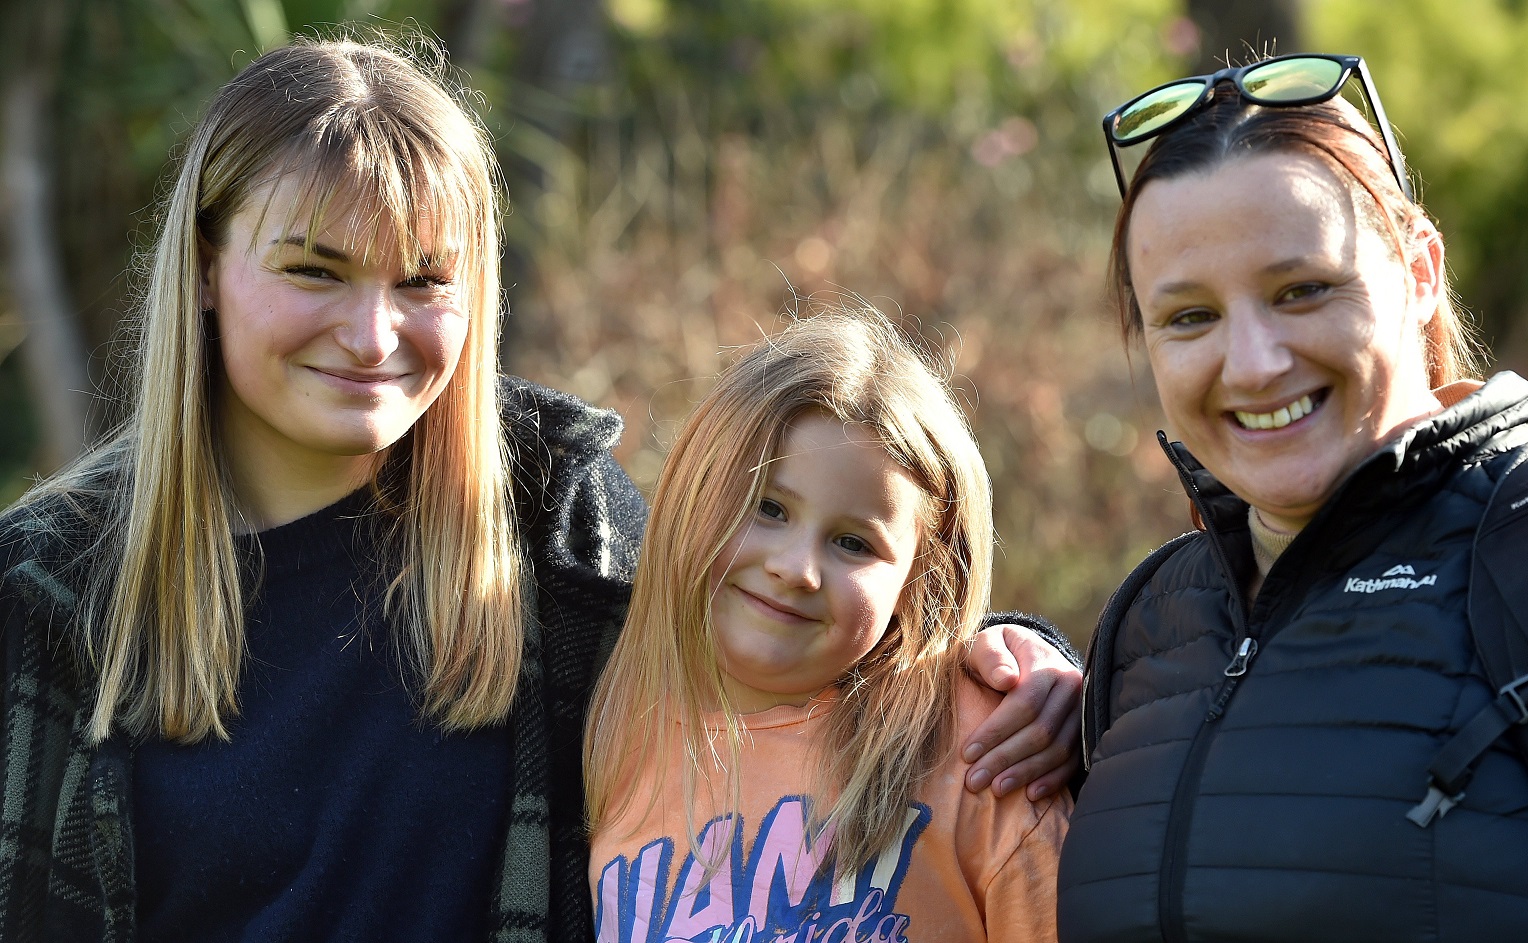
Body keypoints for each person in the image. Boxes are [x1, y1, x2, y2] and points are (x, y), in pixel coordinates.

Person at [0, 37, 1081, 943]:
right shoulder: (45, 591)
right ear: (201, 265)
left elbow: (776, 650)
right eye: (314, 269)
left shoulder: (548, 516)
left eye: (425, 278)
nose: (373, 335)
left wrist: (1023, 672)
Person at [1057, 53, 1528, 940]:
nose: (1252, 363)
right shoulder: (1148, 622)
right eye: (1188, 316)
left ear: (1421, 271)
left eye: (1302, 290)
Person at [584, 311, 1070, 942]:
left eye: (852, 542)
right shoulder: (603, 721)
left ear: (921, 579)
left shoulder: (992, 752)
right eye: (767, 507)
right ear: (690, 493)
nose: (795, 568)